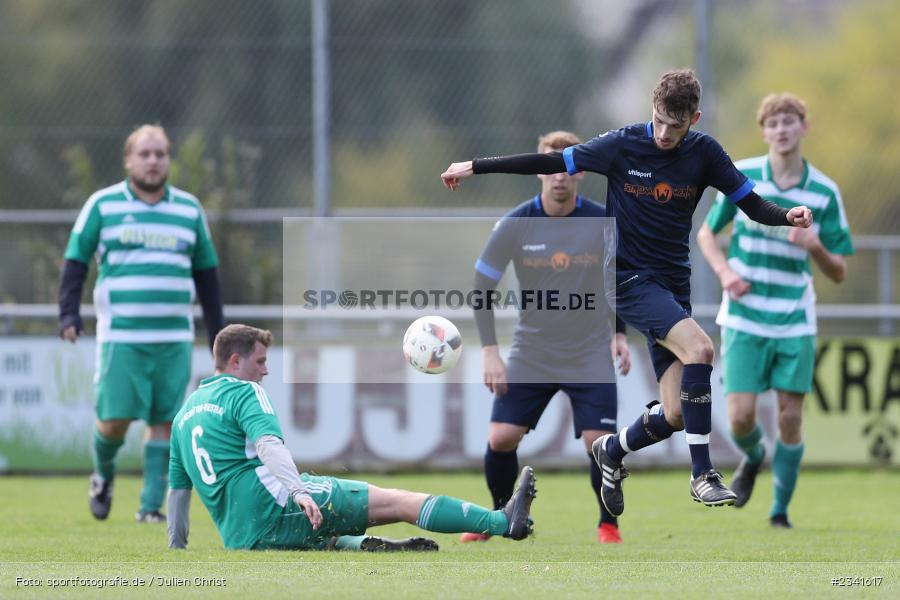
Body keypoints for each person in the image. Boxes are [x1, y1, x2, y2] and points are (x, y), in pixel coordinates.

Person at [441, 69, 814, 516]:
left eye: (675, 126)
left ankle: (613, 450)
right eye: (657, 120)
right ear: (651, 110)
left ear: (693, 119)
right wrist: (476, 166)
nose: (662, 133)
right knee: (701, 348)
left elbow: (751, 204)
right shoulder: (622, 144)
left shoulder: (706, 153)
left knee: (676, 413)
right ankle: (703, 475)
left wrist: (786, 215)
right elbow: (550, 162)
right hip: (627, 279)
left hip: (673, 285)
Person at [166, 324, 537, 551]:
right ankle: (502, 523)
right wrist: (298, 491)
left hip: (241, 538)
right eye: (260, 362)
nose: (265, 370)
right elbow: (268, 445)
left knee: (318, 533)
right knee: (397, 501)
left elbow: (178, 492)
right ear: (234, 361)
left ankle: (357, 544)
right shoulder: (243, 392)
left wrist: (177, 548)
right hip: (279, 506)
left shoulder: (184, 417)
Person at [463, 130, 631, 545]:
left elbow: (619, 282)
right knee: (500, 437)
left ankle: (607, 524)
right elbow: (481, 289)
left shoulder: (601, 221)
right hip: (532, 349)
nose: (558, 176)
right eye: (549, 167)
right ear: (538, 173)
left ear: (580, 173)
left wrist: (619, 335)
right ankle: (499, 519)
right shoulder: (516, 223)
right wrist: (489, 351)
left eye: (566, 167)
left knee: (600, 442)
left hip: (589, 349)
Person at [697, 93, 853, 528]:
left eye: (790, 121)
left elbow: (839, 271)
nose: (781, 129)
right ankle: (753, 456)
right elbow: (707, 235)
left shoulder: (824, 191)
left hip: (794, 319)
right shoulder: (743, 176)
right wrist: (725, 272)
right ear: (764, 132)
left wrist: (815, 245)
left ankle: (780, 511)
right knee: (741, 416)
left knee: (789, 416)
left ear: (804, 128)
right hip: (745, 314)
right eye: (773, 123)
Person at [59, 124, 226, 523]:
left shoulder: (188, 209)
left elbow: (206, 273)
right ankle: (103, 474)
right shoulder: (103, 205)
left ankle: (151, 507)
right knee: (114, 421)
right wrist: (68, 313)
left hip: (173, 337)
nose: (153, 161)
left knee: (164, 420)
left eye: (160, 154)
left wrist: (217, 332)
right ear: (128, 159)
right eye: (145, 154)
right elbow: (75, 261)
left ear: (168, 159)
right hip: (122, 337)